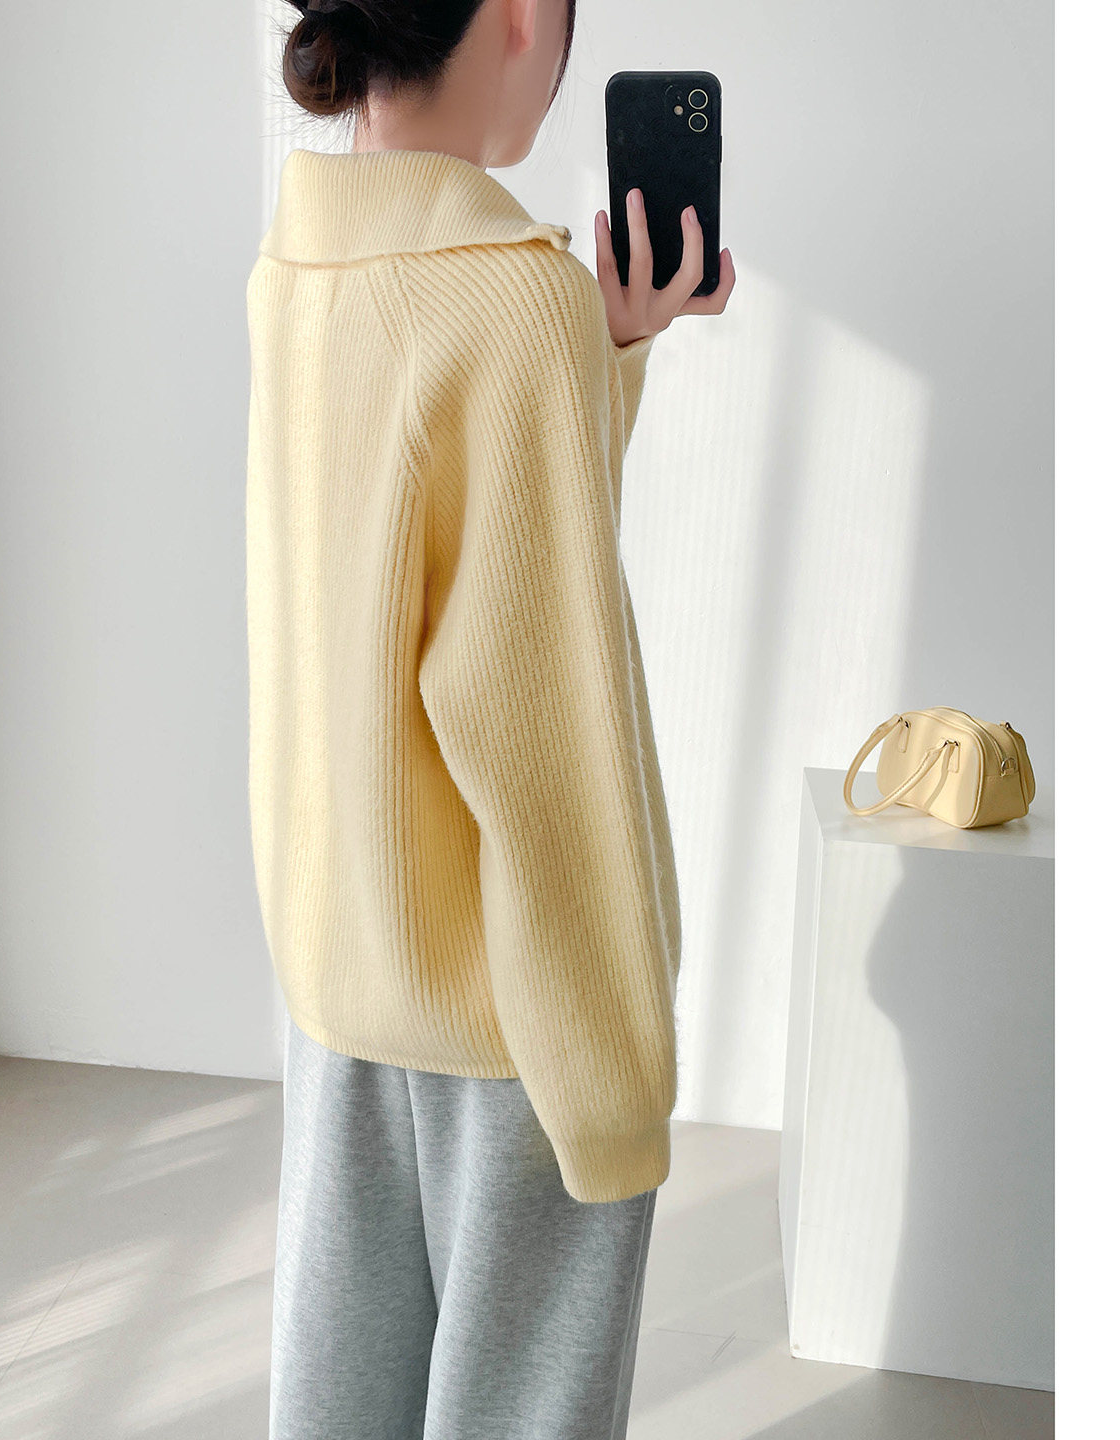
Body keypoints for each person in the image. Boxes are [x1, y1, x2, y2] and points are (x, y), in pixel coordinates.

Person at [246, 2, 736, 1435]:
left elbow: (424, 557)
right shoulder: (513, 297)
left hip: (342, 963)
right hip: (509, 1012)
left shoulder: (299, 263)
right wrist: (615, 1065)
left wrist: (606, 349)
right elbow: (545, 724)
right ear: (521, 14)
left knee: (341, 1398)